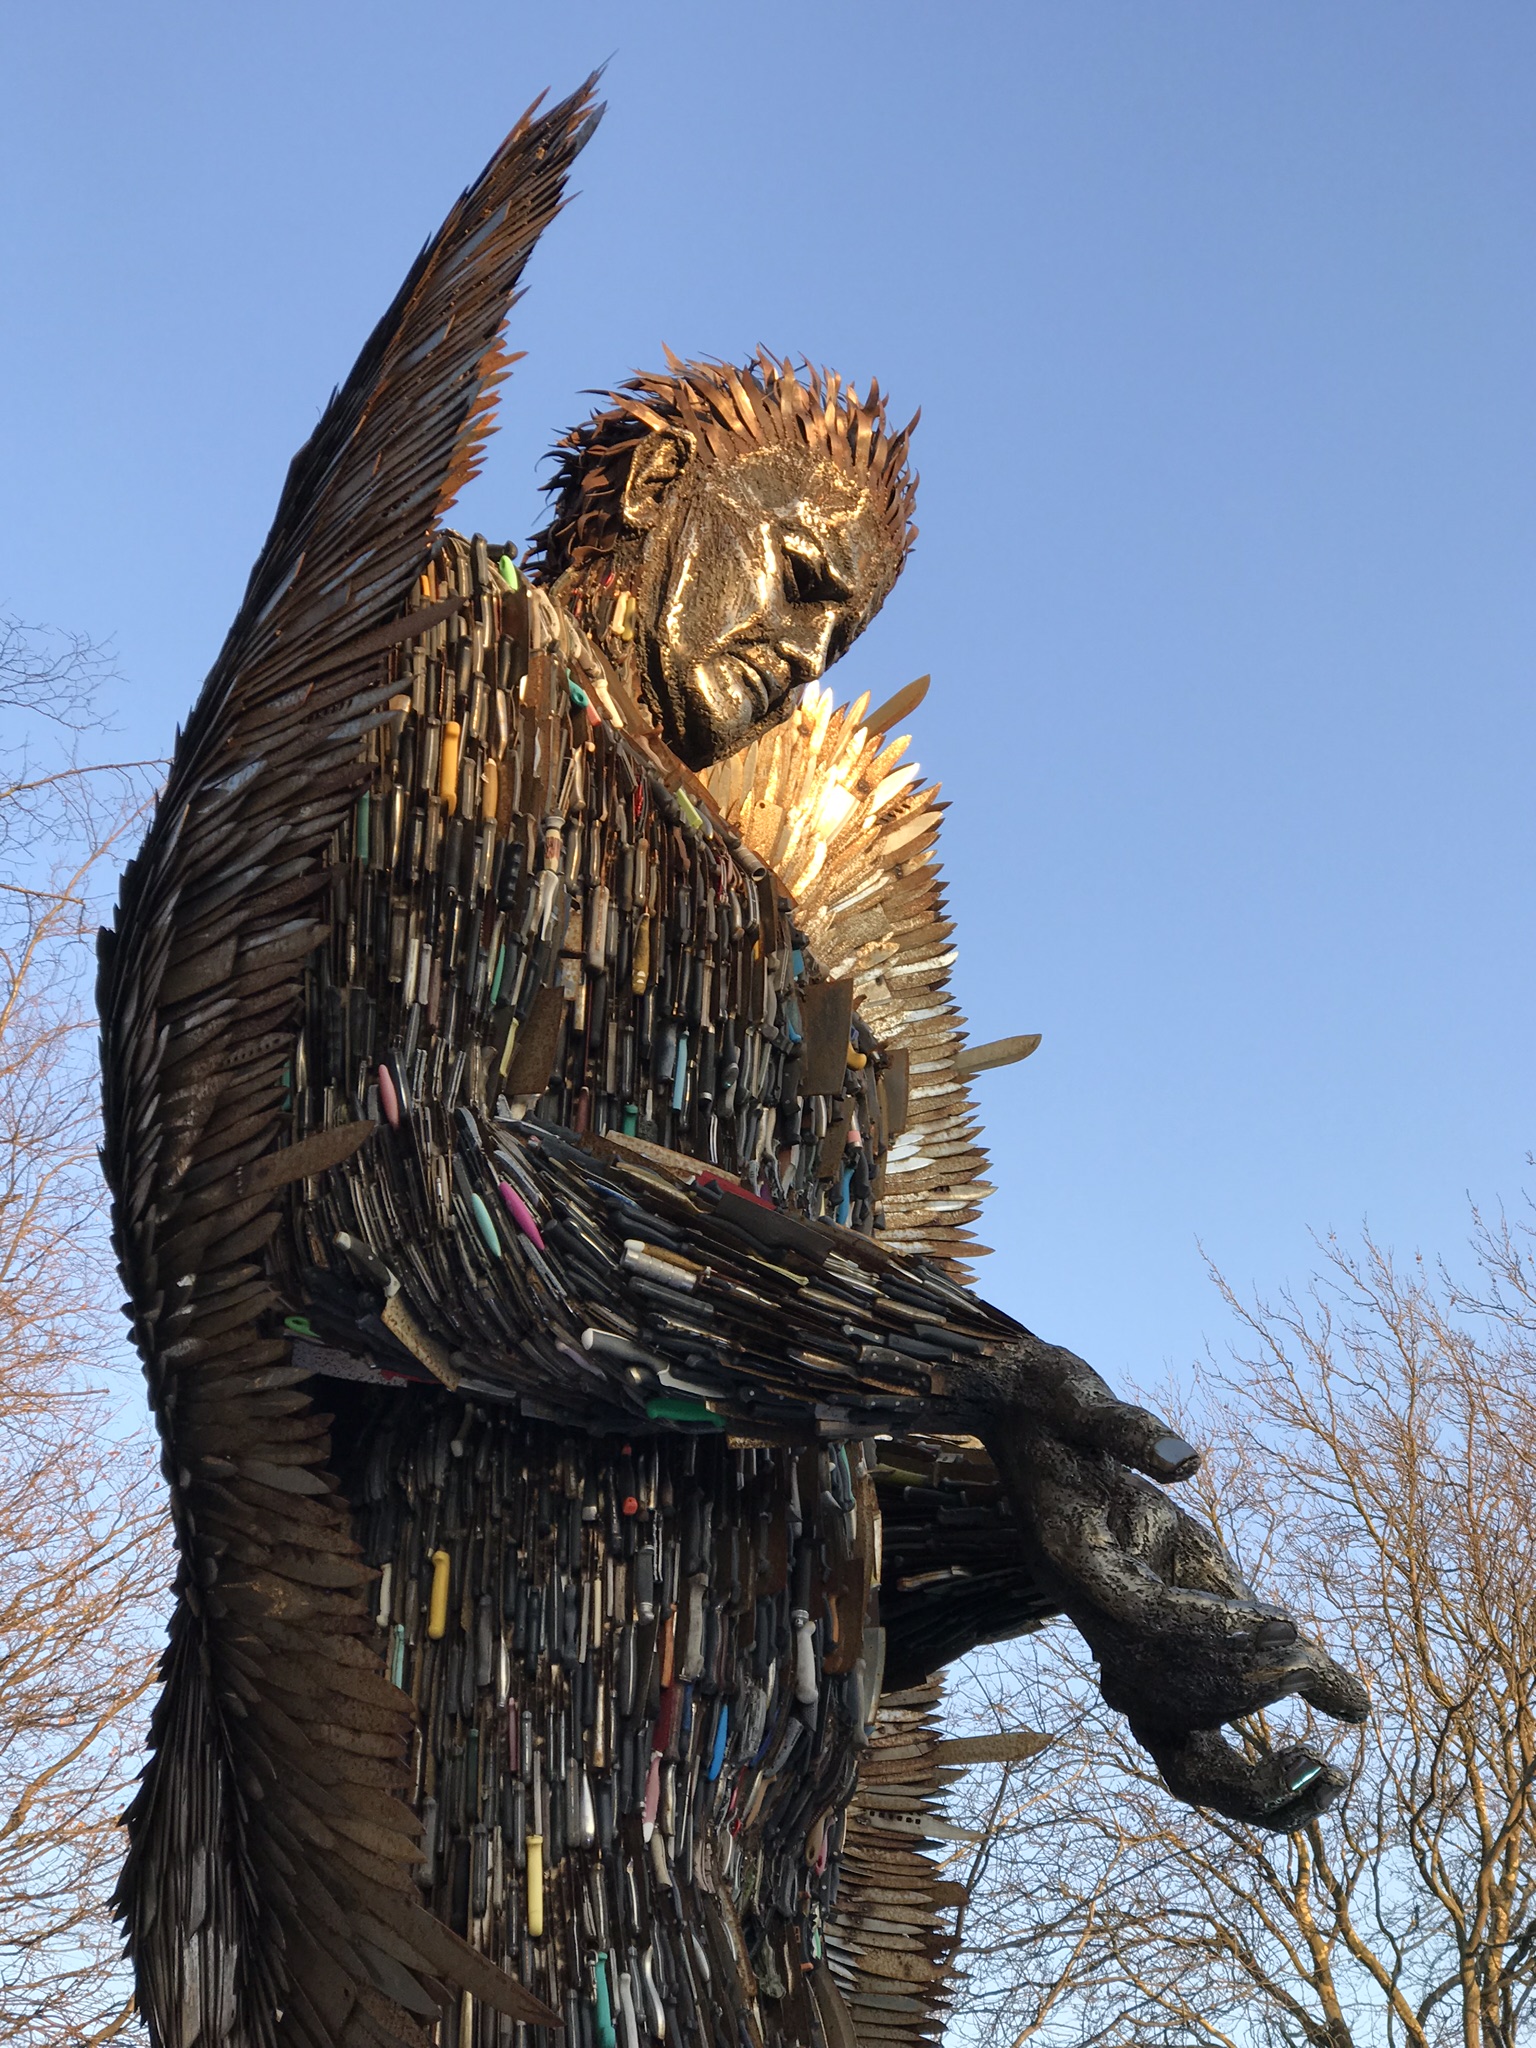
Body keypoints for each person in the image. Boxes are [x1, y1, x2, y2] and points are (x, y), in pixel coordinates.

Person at [100, 79, 1366, 2048]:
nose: (810, 646)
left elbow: (772, 1451)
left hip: (715, 1898)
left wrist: (1072, 1556)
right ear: (655, 487)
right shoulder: (461, 671)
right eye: (795, 570)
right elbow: (394, 1209)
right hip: (453, 1844)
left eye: (849, 621)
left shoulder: (761, 959)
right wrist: (956, 1359)